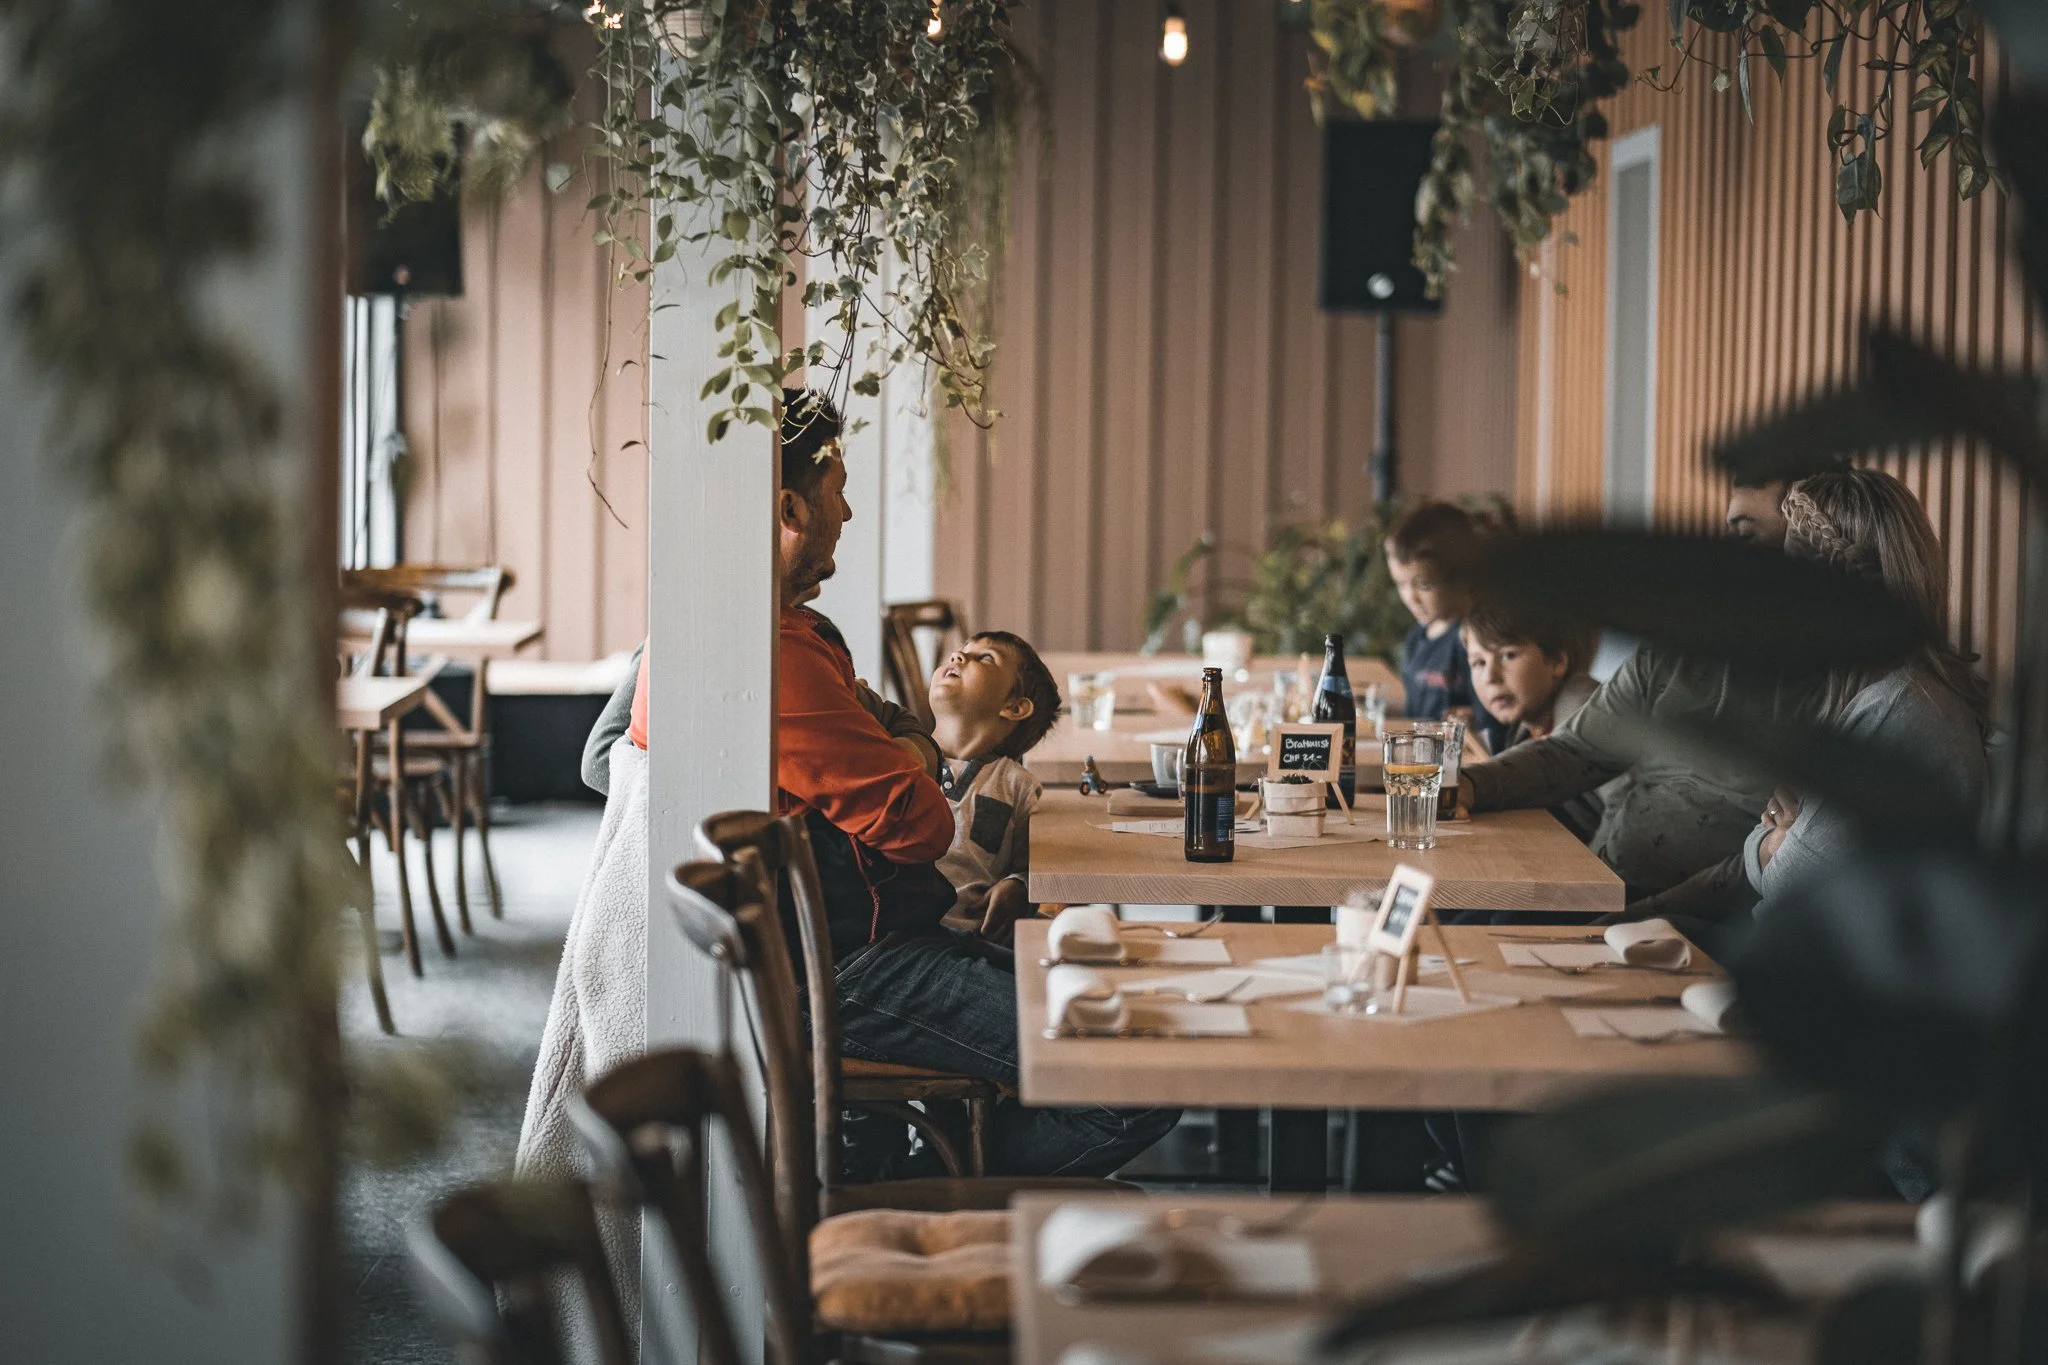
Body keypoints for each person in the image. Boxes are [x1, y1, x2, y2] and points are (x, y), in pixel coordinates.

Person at [613, 389, 1178, 1178]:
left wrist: (900, 740)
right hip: (846, 969)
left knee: (1129, 999)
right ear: (791, 508)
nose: (847, 512)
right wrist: (909, 749)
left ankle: (944, 1175)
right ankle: (939, 1195)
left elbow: (898, 727)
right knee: (1146, 1069)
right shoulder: (768, 658)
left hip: (868, 941)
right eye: (838, 490)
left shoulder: (765, 632)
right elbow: (924, 824)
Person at [1626, 469, 1990, 942]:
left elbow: (1788, 883)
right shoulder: (1867, 693)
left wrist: (1778, 841)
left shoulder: (1900, 706)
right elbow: (1772, 858)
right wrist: (1777, 841)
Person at [927, 630, 1062, 944]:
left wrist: (1018, 885)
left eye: (985, 658)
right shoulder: (898, 757)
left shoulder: (1017, 785)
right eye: (961, 650)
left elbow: (1034, 866)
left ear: (1014, 707)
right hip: (894, 935)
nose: (958, 656)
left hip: (973, 938)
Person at [1461, 600, 1610, 844]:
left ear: (1557, 662)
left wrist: (1600, 863)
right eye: (1479, 662)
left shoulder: (1586, 710)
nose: (1490, 676)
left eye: (1508, 655)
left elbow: (1629, 807)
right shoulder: (1526, 723)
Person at [1384, 503, 1495, 739]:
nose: (1410, 597)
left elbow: (1490, 719)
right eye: (1401, 584)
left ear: (1461, 578)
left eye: (1424, 585)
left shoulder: (1473, 640)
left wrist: (1472, 720)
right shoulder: (1417, 637)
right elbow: (1414, 710)